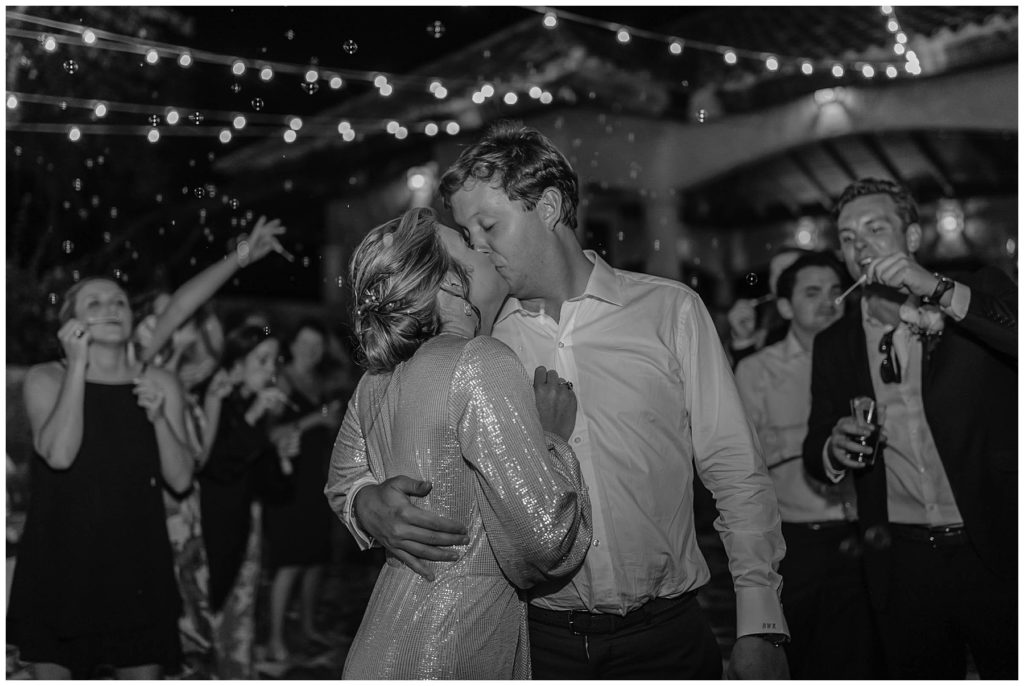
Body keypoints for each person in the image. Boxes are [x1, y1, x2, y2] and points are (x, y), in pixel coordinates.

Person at [345, 121, 789, 679]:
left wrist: (759, 623)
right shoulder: (475, 343)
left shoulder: (669, 311)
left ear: (549, 207)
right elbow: (363, 437)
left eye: (487, 225)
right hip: (533, 642)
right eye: (467, 232)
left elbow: (736, 471)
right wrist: (363, 502)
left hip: (668, 635)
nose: (476, 248)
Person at [325, 207, 592, 679]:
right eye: (469, 244)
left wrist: (365, 502)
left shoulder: (375, 380)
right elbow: (545, 542)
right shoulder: (480, 360)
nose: (483, 246)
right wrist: (551, 439)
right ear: (450, 284)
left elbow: (343, 478)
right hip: (451, 645)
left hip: (383, 639)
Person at [802, 178, 1017, 679]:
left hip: (997, 548)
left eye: (876, 229)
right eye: (849, 238)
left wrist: (936, 289)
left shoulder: (974, 291)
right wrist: (833, 449)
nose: (861, 247)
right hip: (901, 562)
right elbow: (815, 447)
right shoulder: (835, 342)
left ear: (913, 238)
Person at [7, 277, 195, 678]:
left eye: (120, 302)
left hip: (138, 567)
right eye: (94, 303)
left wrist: (159, 418)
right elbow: (59, 455)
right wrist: (77, 364)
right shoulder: (46, 378)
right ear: (69, 323)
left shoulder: (160, 382)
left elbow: (180, 480)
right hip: (60, 565)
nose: (110, 308)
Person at [734, 251, 882, 678]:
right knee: (809, 662)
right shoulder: (758, 369)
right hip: (799, 542)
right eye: (812, 292)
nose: (829, 302)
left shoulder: (869, 358)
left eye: (837, 291)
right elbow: (744, 469)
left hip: (866, 534)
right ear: (785, 306)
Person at [197, 323, 296, 679]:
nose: (271, 370)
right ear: (236, 363)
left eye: (275, 361)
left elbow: (276, 491)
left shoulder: (254, 407)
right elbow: (216, 467)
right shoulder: (212, 400)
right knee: (207, 615)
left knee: (239, 616)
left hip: (245, 527)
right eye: (262, 360)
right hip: (209, 529)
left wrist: (284, 458)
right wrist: (255, 417)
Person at [263, 319, 345, 662]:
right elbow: (270, 433)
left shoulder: (321, 380)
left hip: (317, 478)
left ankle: (309, 627)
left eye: (318, 345)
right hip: (288, 480)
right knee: (290, 561)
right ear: (291, 345)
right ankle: (274, 639)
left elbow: (347, 366)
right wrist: (317, 419)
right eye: (306, 344)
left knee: (315, 559)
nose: (312, 351)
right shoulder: (280, 379)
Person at [726, 247, 813, 368]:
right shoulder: (771, 327)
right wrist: (744, 338)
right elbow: (753, 380)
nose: (776, 279)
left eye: (786, 270)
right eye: (773, 272)